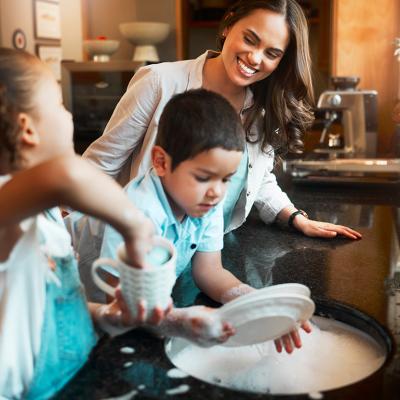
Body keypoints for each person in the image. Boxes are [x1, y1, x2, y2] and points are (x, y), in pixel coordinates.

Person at [83, 0, 362, 240]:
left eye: (272, 53)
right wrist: (58, 238)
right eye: (250, 39)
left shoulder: (263, 108)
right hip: (141, 249)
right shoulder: (159, 82)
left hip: (209, 252)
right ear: (228, 25)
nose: (254, 58)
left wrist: (295, 217)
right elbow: (101, 165)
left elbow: (257, 178)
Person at [0, 48, 165, 400]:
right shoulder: (5, 208)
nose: (68, 114)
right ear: (27, 129)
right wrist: (136, 228)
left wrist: (106, 316)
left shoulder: (45, 214)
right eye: (60, 104)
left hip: (72, 380)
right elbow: (66, 174)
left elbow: (49, 307)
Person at [100, 88, 311, 352]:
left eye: (225, 179)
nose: (216, 192)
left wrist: (258, 305)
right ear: (161, 162)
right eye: (203, 177)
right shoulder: (137, 213)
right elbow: (120, 303)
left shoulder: (205, 202)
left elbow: (209, 272)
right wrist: (177, 322)